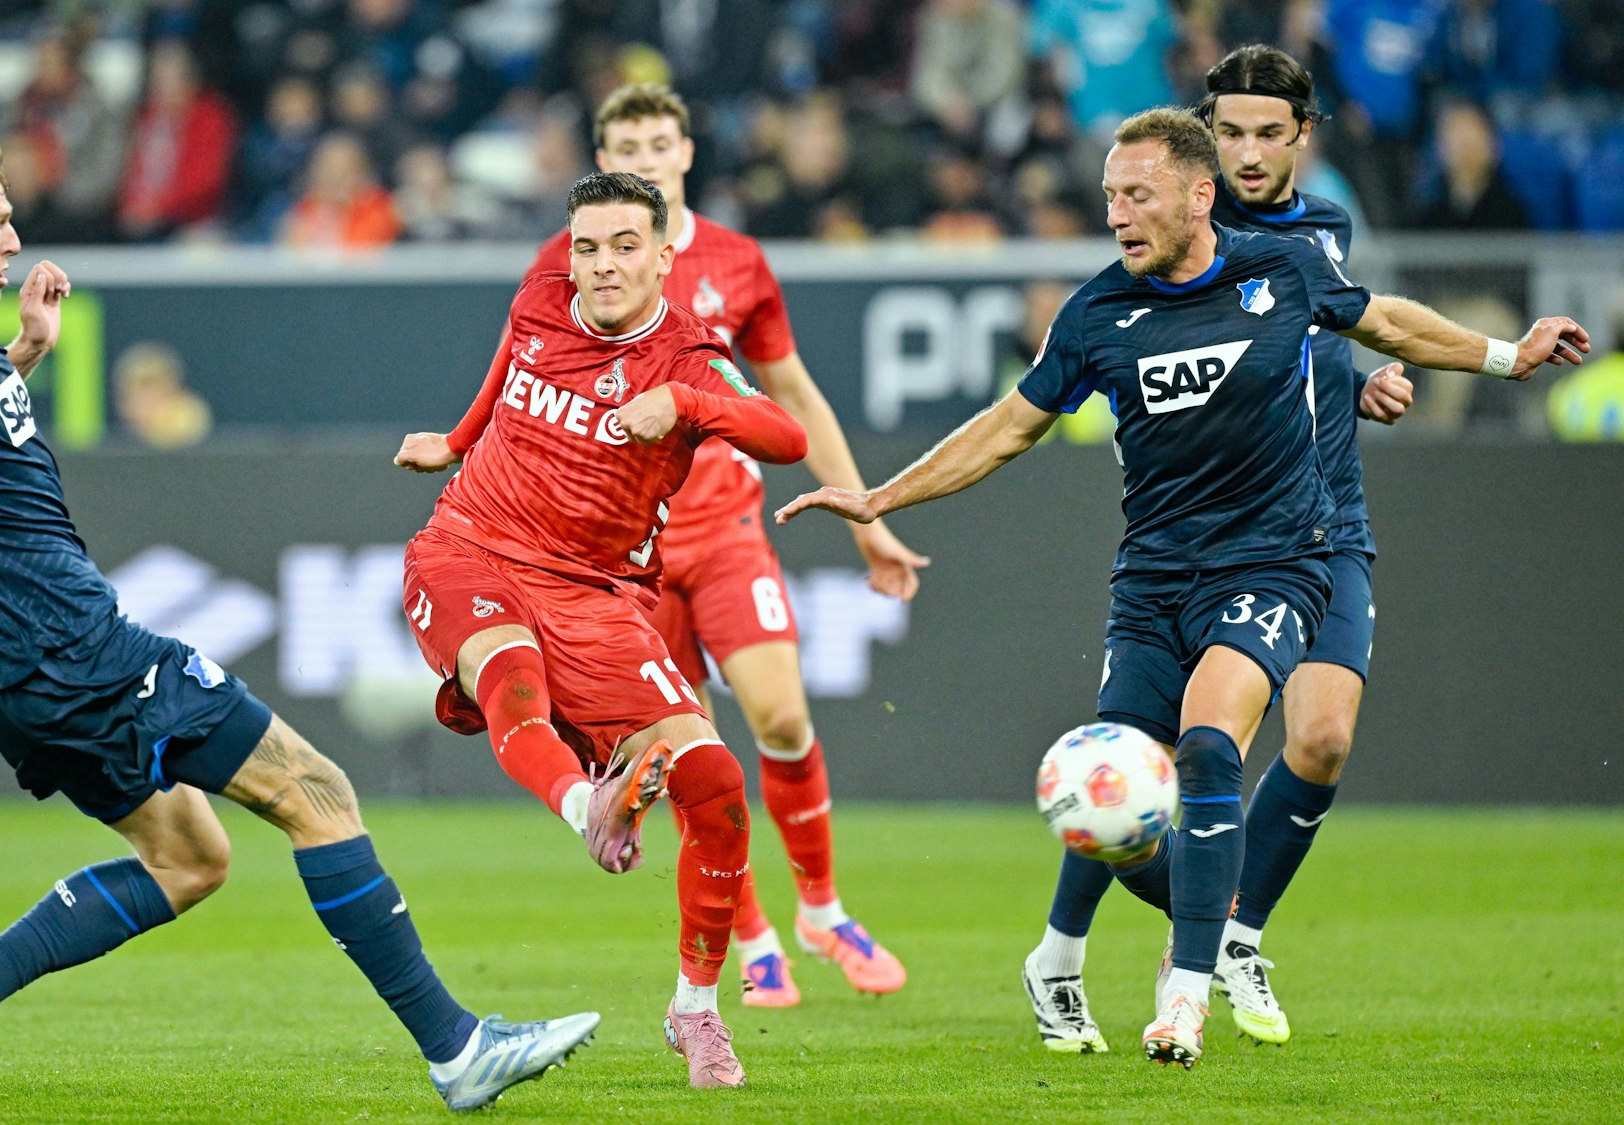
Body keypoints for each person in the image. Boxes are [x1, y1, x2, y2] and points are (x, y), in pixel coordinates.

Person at [0, 128, 597, 1117]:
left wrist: (24, 353)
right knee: (317, 792)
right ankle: (457, 1051)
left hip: (27, 668)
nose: (14, 240)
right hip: (68, 648)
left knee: (191, 860)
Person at [776, 107, 1586, 1069]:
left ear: (1200, 197)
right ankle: (1060, 958)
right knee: (1112, 787)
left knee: (1208, 747)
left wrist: (1507, 354)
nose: (1118, 214)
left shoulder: (1279, 272)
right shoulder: (1095, 315)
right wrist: (879, 497)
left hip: (1276, 562)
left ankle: (1186, 995)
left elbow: (1389, 320)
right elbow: (1006, 427)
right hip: (1155, 578)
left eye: (1138, 194)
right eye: (1111, 195)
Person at [1022, 44, 1423, 1054]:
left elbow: (1322, 337)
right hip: (1219, 540)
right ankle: (1104, 949)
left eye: (1266, 133)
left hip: (1324, 522)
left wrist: (1355, 383)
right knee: (1159, 747)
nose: (1247, 152)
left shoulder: (1321, 230)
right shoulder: (1174, 233)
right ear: (1202, 152)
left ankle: (1229, 933)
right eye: (1229, 130)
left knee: (1320, 739)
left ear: (1302, 137)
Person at [393, 170, 809, 1088]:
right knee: (510, 673)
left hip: (596, 594)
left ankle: (696, 1011)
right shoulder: (544, 296)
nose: (602, 265)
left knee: (715, 780)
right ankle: (593, 807)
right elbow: (507, 364)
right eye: (587, 246)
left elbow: (786, 435)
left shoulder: (691, 356)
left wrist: (691, 407)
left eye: (626, 246)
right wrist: (458, 443)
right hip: (471, 546)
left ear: (666, 256)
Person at [518, 84, 927, 1007]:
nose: (647, 156)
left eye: (660, 141)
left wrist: (869, 516)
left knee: (781, 716)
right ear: (601, 155)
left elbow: (795, 395)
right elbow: (530, 395)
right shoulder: (562, 263)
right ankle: (752, 936)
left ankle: (821, 907)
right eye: (627, 143)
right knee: (693, 753)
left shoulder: (739, 262)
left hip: (729, 528)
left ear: (688, 151)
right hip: (629, 555)